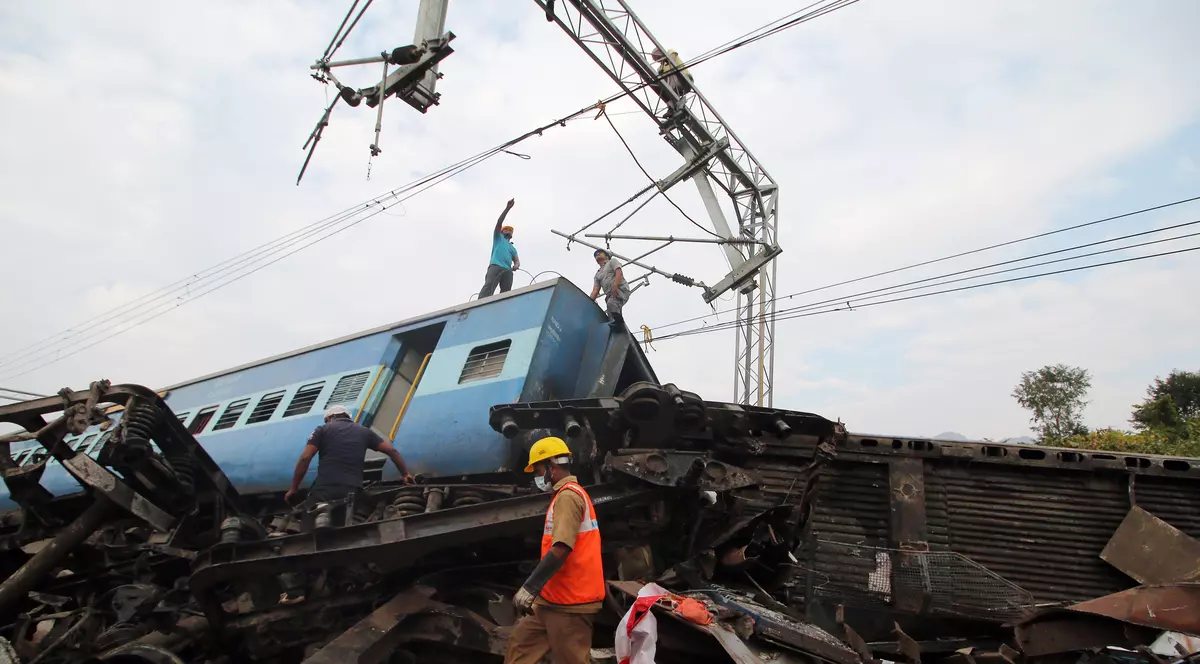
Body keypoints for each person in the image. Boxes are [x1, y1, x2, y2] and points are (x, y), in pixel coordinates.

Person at [505, 437, 604, 664]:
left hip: (570, 603)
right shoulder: (563, 495)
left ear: (552, 466)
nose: (537, 477)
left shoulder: (568, 497)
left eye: (538, 470)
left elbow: (561, 547)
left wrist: (529, 587)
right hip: (551, 599)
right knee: (520, 646)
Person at [285, 405, 413, 507]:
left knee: (308, 523)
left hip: (325, 489)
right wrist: (405, 474)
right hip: (352, 489)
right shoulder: (364, 431)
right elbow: (392, 451)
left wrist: (294, 489)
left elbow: (305, 458)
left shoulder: (322, 429)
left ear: (330, 417)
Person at [479, 198, 520, 299]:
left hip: (507, 270)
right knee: (489, 286)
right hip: (495, 266)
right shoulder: (498, 238)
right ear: (502, 231)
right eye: (506, 229)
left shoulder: (512, 248)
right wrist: (507, 208)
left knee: (506, 293)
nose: (509, 231)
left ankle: (502, 306)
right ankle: (480, 304)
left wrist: (516, 265)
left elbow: (517, 260)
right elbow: (499, 222)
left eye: (510, 230)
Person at [589, 249, 631, 325]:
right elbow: (595, 291)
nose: (597, 254)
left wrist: (615, 286)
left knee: (612, 303)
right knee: (611, 313)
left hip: (620, 288)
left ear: (607, 256)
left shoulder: (612, 262)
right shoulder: (597, 275)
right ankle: (617, 327)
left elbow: (619, 273)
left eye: (600, 253)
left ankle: (618, 323)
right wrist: (589, 301)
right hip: (610, 294)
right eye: (595, 255)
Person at [651, 47, 693, 118]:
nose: (656, 59)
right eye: (654, 58)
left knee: (668, 75)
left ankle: (673, 105)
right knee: (657, 85)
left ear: (660, 51)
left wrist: (665, 62)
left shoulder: (670, 52)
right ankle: (671, 107)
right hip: (675, 86)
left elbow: (672, 60)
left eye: (656, 56)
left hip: (684, 78)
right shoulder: (660, 68)